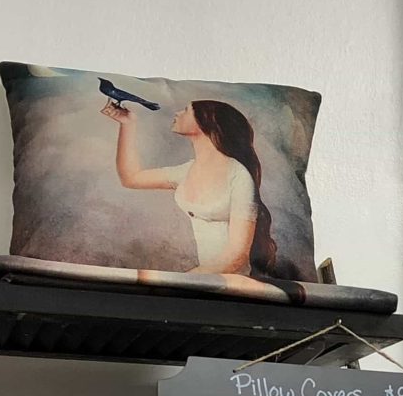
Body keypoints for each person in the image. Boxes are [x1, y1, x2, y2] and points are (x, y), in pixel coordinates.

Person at [103, 98, 280, 277]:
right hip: (205, 277)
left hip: (233, 280)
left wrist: (184, 279)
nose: (178, 113)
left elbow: (237, 258)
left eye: (187, 110)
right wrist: (128, 124)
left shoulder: (239, 177)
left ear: (206, 123)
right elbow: (131, 178)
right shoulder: (187, 171)